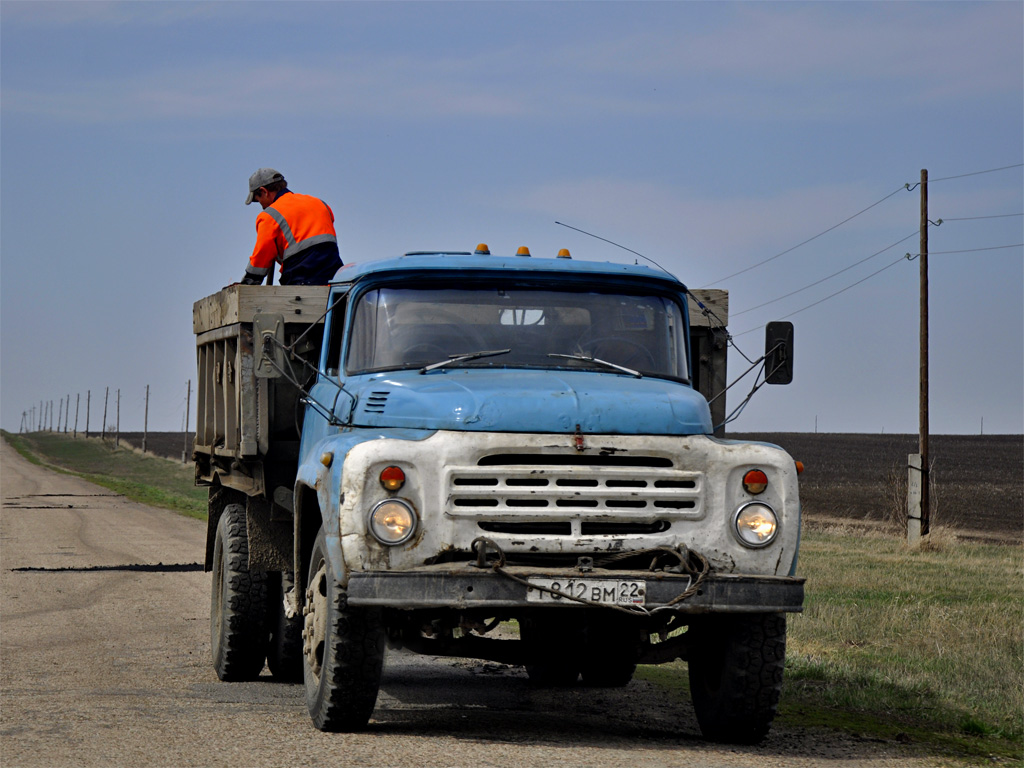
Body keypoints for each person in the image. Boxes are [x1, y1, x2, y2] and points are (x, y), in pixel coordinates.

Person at [238, 168, 342, 286]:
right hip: (334, 280)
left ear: (264, 191)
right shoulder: (320, 203)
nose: (261, 206)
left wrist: (248, 282)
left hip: (301, 280)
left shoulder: (269, 216)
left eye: (258, 200)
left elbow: (261, 256)